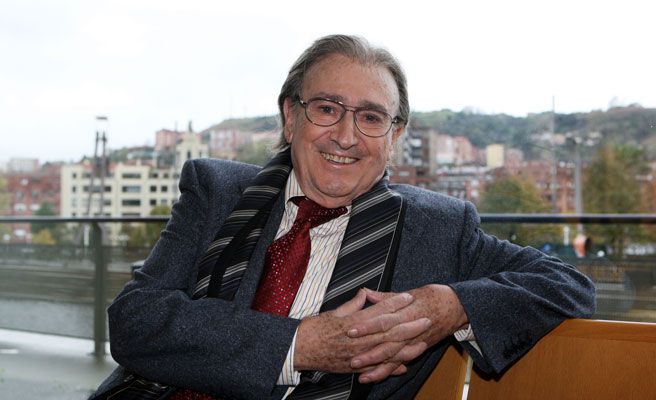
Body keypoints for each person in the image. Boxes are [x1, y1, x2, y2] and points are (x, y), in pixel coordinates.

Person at [91, 34, 595, 400]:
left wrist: (451, 305)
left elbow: (567, 283)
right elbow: (136, 320)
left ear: (395, 137)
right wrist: (298, 345)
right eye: (327, 109)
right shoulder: (217, 190)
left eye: (371, 117)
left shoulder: (438, 228)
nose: (347, 137)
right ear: (291, 117)